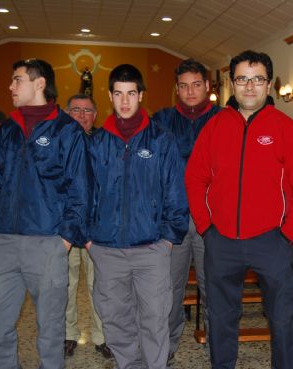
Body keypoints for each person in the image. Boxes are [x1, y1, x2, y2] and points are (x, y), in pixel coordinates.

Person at [185, 50, 293, 369]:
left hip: (270, 241)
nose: (249, 86)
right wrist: (206, 227)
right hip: (222, 242)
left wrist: (288, 232)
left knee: (283, 318)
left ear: (269, 85)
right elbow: (194, 178)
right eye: (242, 79)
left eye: (257, 79)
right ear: (232, 83)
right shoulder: (215, 127)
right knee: (220, 317)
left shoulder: (286, 129)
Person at [0, 58, 91, 369]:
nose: (10, 87)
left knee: (51, 330)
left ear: (39, 83)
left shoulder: (66, 130)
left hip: (47, 242)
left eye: (17, 80)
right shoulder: (8, 128)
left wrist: (65, 240)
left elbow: (80, 189)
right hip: (3, 240)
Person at [87, 64, 188, 369]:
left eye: (131, 93)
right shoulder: (97, 142)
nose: (125, 101)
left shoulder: (161, 140)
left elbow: (175, 191)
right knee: (116, 318)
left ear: (141, 95)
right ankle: (128, 365)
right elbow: (84, 192)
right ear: (110, 95)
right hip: (106, 248)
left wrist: (169, 239)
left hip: (152, 248)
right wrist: (89, 239)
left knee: (155, 317)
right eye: (119, 94)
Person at [152, 58, 220, 362]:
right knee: (169, 289)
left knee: (215, 288)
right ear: (176, 89)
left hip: (213, 220)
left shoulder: (224, 119)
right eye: (183, 86)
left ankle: (218, 347)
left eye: (196, 85)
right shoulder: (161, 121)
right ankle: (166, 345)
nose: (190, 91)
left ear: (207, 86)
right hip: (174, 220)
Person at [63, 94, 112, 359]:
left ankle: (102, 337)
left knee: (100, 287)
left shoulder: (104, 143)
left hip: (96, 228)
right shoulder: (57, 142)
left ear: (95, 115)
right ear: (66, 112)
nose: (82, 115)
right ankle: (68, 334)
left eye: (88, 110)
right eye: (76, 110)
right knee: (65, 285)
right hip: (65, 229)